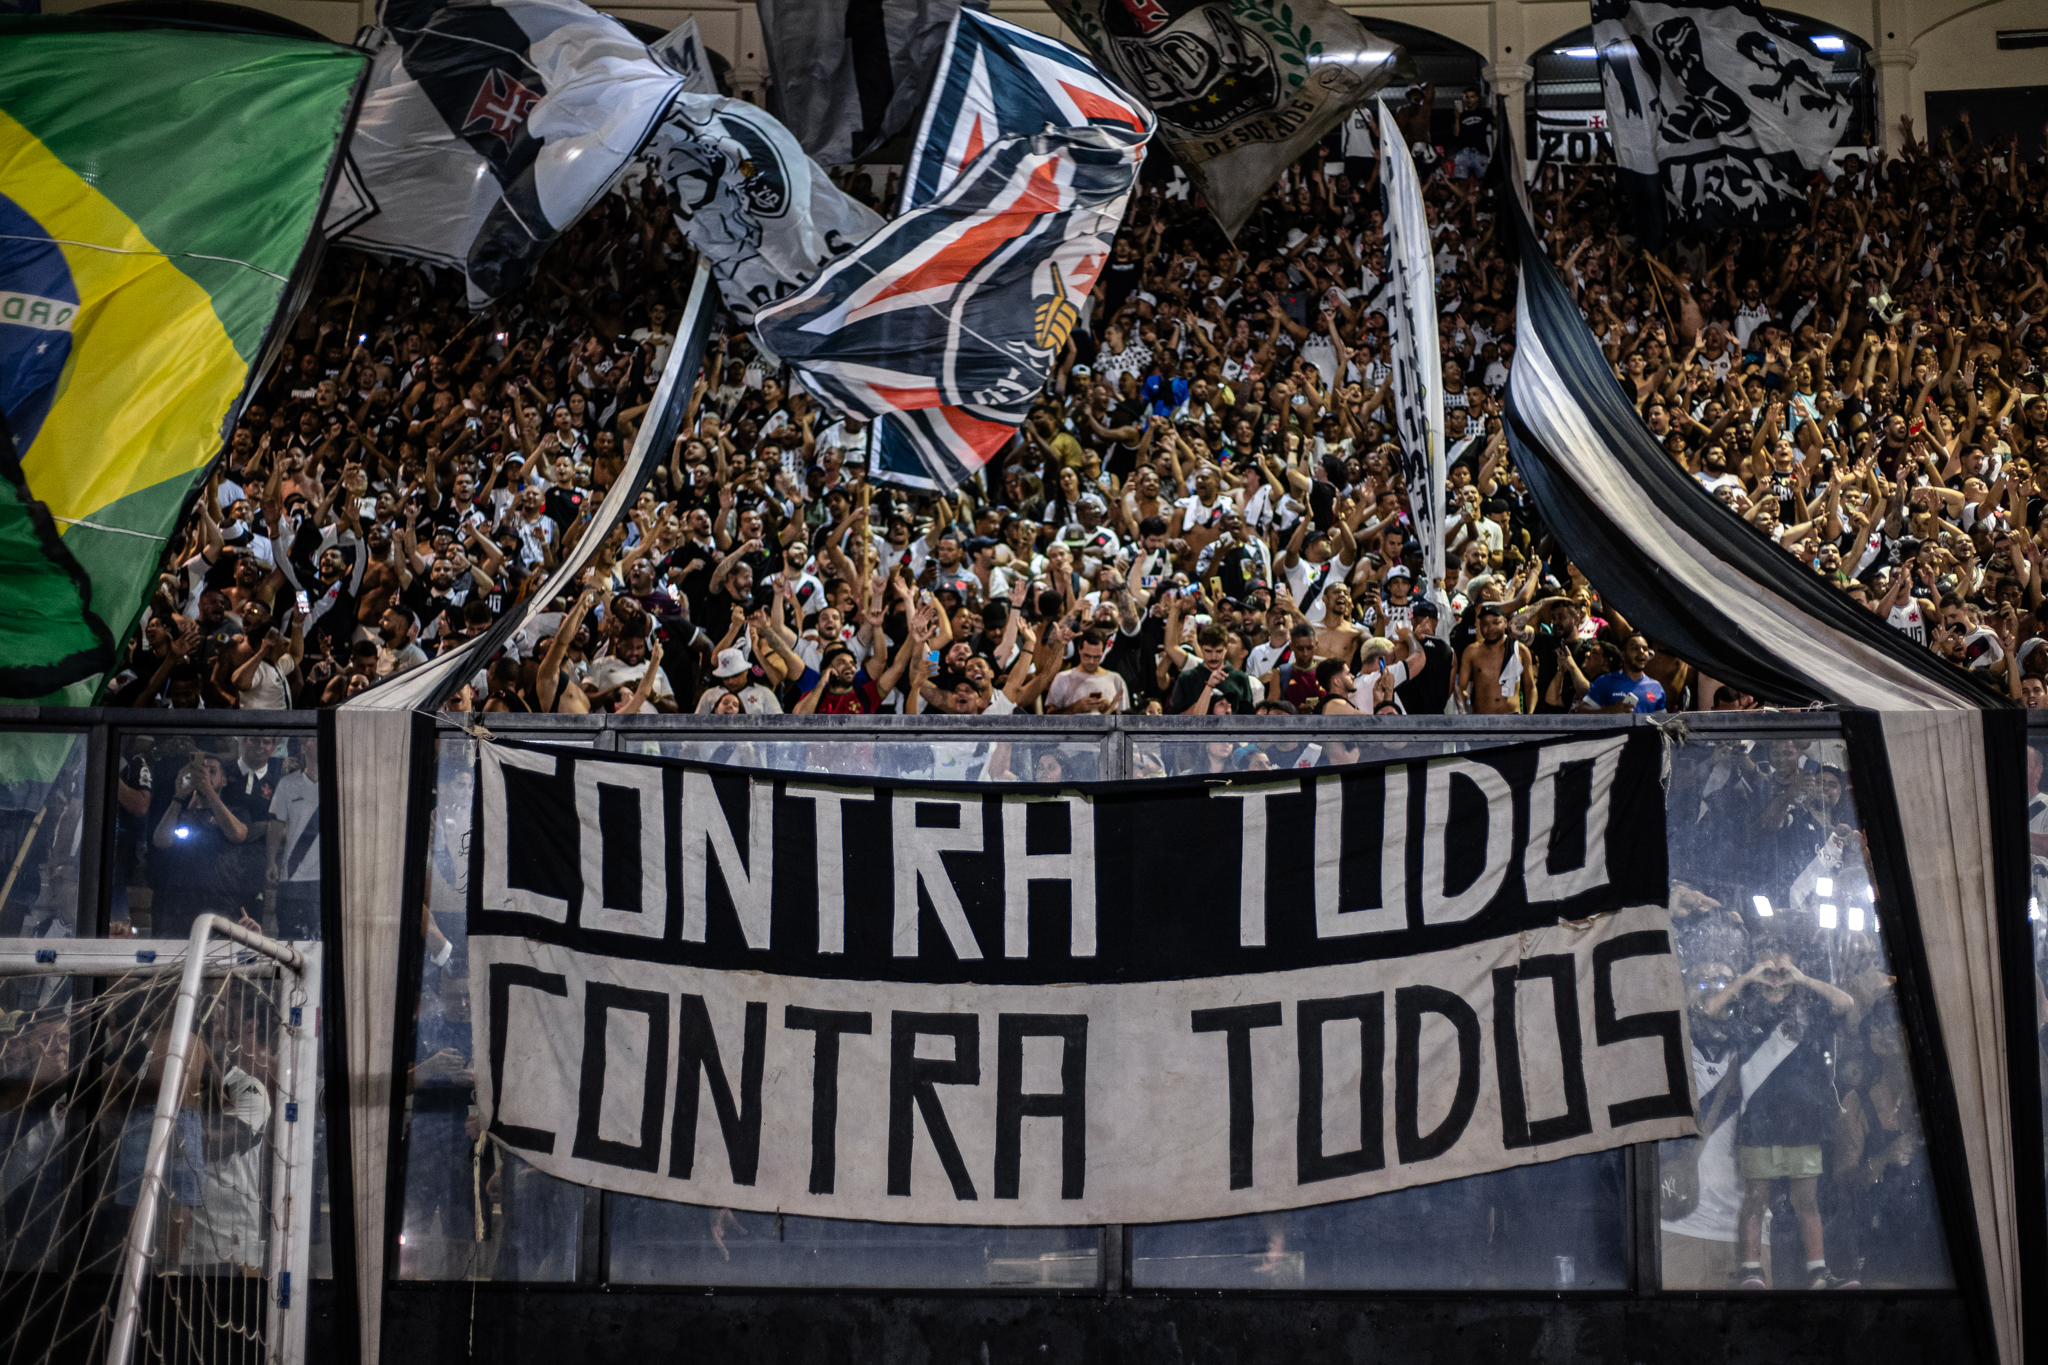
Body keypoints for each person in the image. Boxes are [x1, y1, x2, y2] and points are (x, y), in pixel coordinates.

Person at [1706, 940, 1859, 1290]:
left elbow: (1845, 1002)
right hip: (1760, 1123)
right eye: (1768, 974)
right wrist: (1749, 977)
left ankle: (1818, 1273)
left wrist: (1801, 979)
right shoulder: (1744, 1013)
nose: (1775, 981)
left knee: (1807, 1201)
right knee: (1756, 1198)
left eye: (1781, 973)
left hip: (1804, 1124)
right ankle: (1751, 1270)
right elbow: (1711, 1009)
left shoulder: (1811, 1011)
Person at [1580, 635, 1667, 714]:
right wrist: (1611, 710)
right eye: (1634, 648)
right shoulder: (1605, 681)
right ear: (1623, 655)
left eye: (1645, 649)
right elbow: (1582, 711)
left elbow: (1662, 722)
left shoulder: (1656, 687)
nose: (1641, 652)